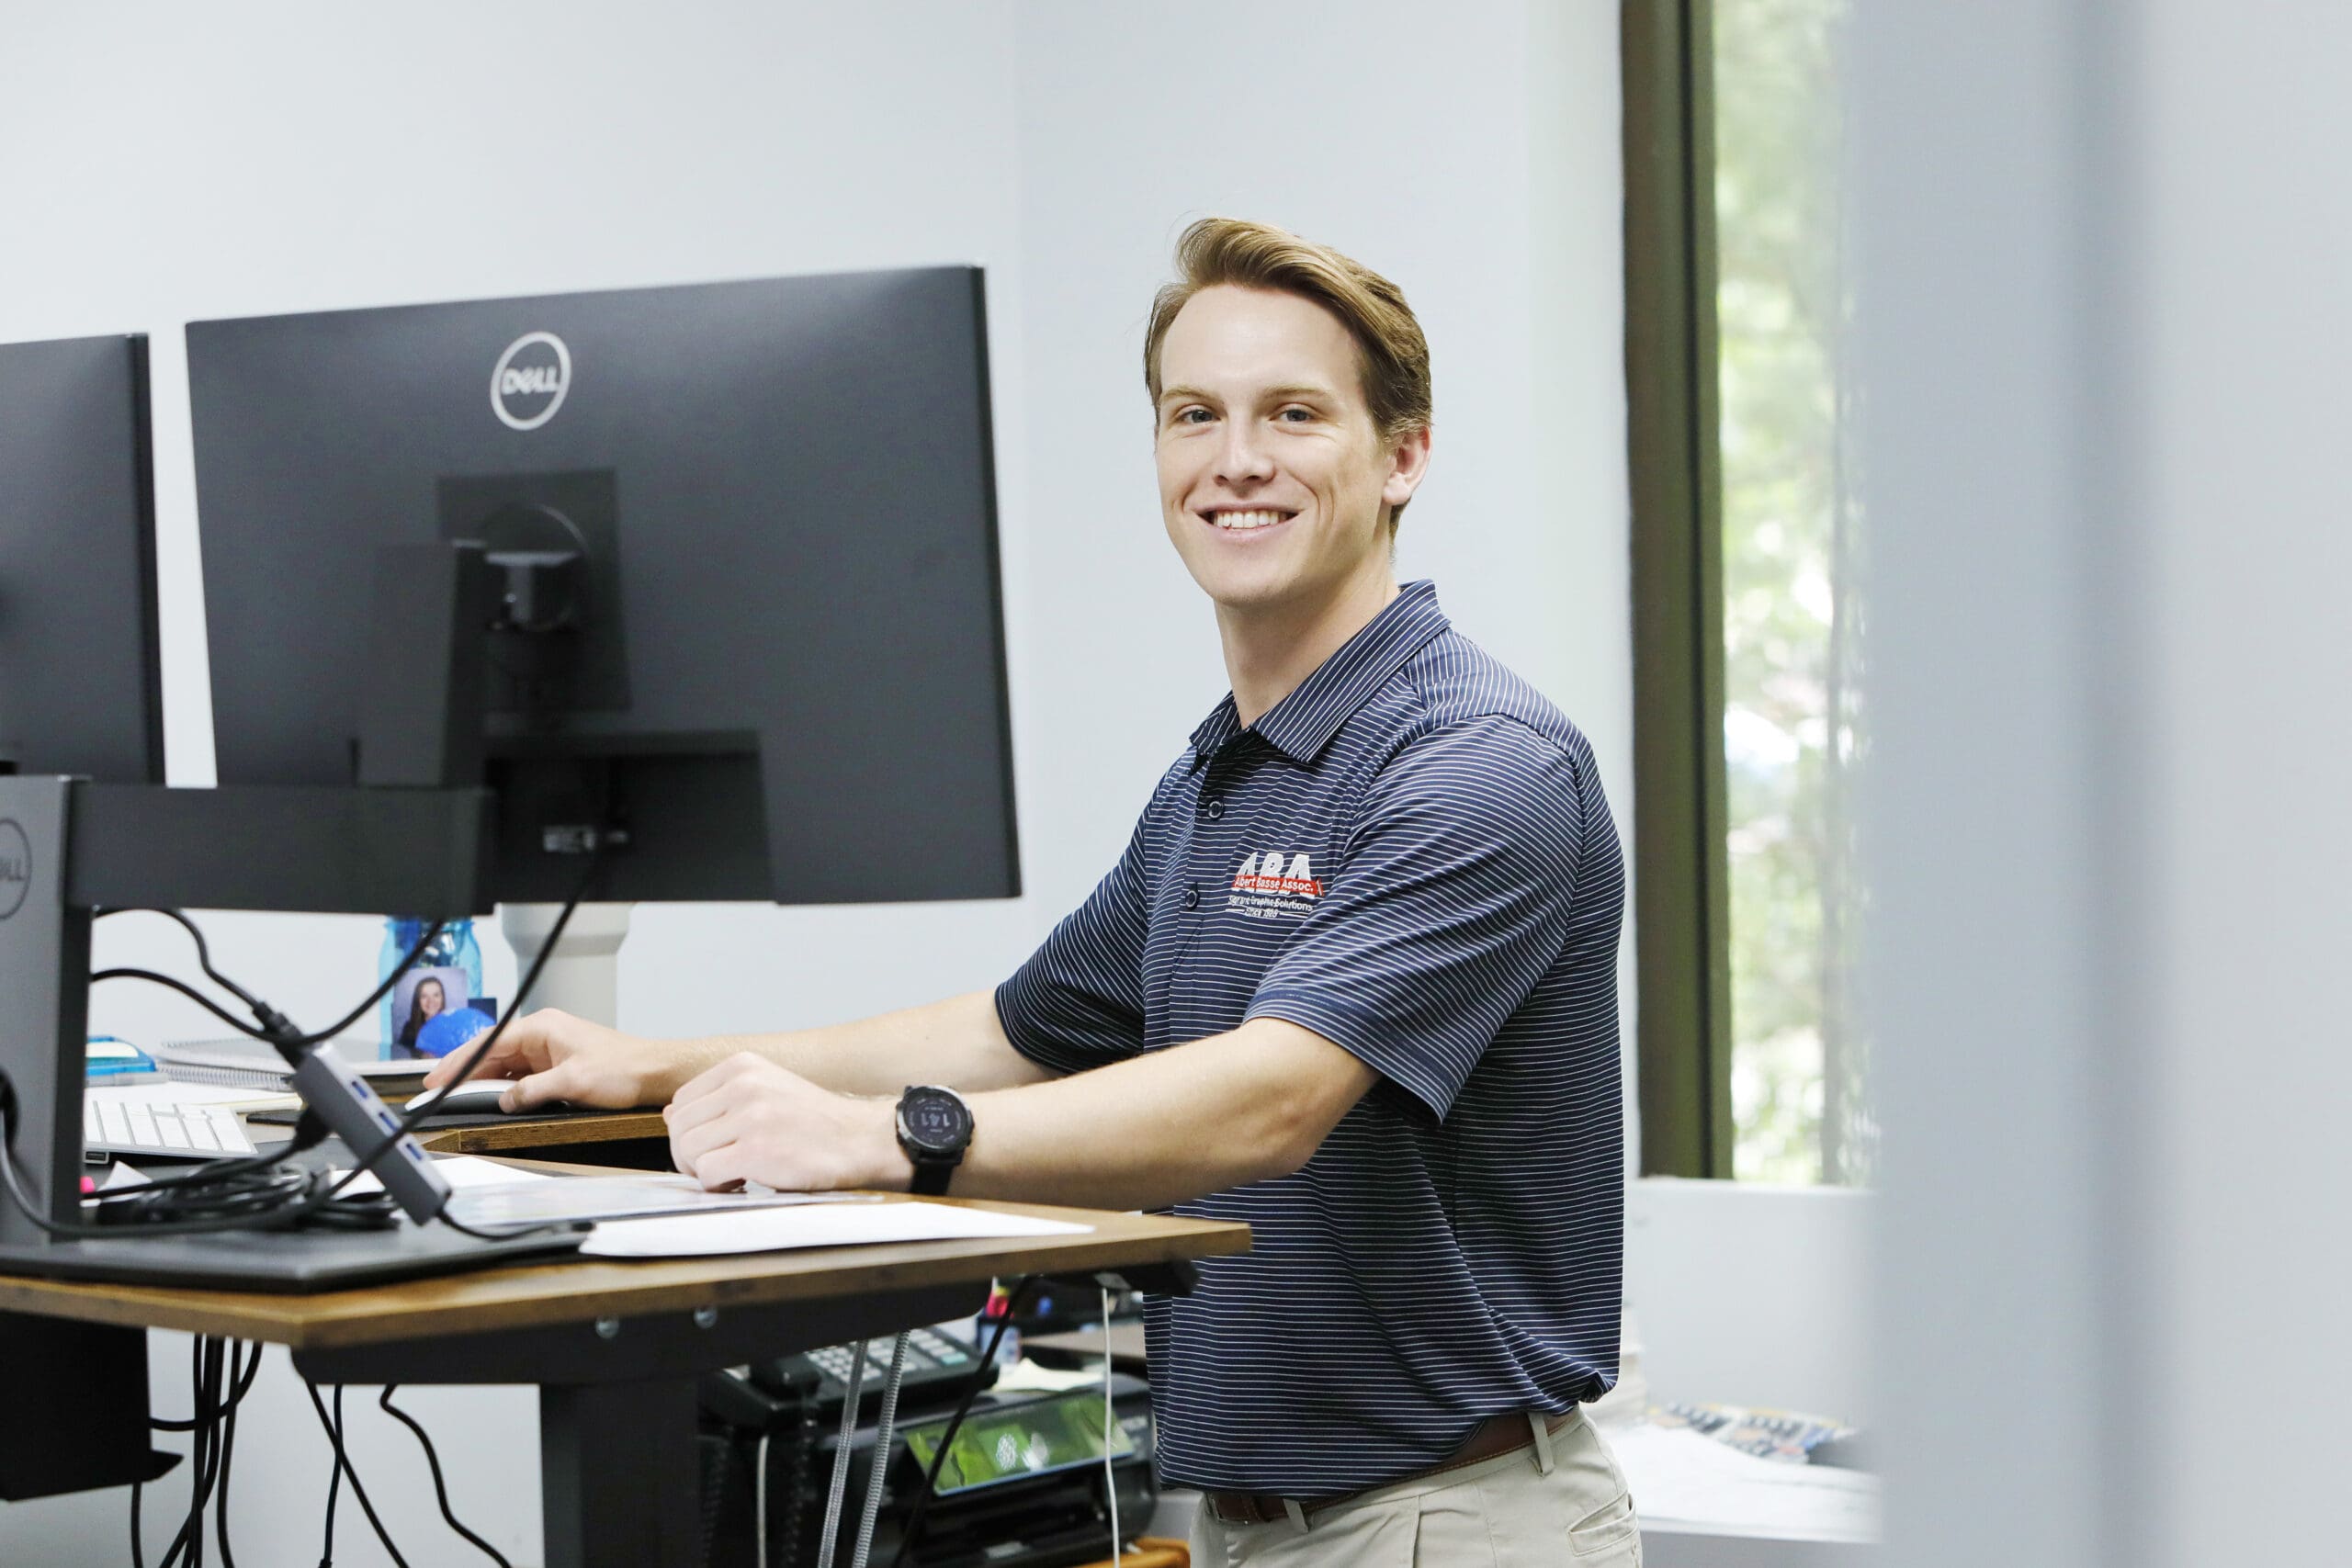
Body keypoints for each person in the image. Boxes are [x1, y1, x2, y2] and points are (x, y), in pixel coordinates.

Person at [428, 218, 1635, 1565]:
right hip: (1250, 1524)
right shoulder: (1220, 777)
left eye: (1293, 413)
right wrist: (654, 1064)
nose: (1237, 459)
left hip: (1446, 1520)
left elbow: (1273, 1099)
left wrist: (896, 1137)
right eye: (1195, 414)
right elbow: (1012, 1031)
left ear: (1402, 455)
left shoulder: (1479, 761)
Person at [397, 974, 447, 1053]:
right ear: (418, 1000)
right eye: (424, 996)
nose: (431, 1001)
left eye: (436, 995)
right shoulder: (409, 1029)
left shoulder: (452, 1026)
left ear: (442, 998)